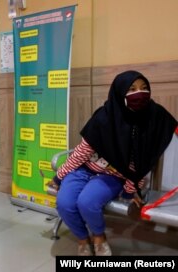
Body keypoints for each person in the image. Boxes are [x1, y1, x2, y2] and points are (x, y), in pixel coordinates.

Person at [53, 70, 177, 256]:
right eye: (132, 89)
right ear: (119, 92)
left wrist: (130, 188)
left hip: (112, 176)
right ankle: (82, 238)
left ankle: (98, 236)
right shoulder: (103, 117)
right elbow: (81, 152)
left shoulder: (151, 119)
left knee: (87, 202)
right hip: (83, 171)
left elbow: (141, 165)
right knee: (64, 203)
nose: (139, 93)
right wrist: (59, 176)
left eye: (144, 88)